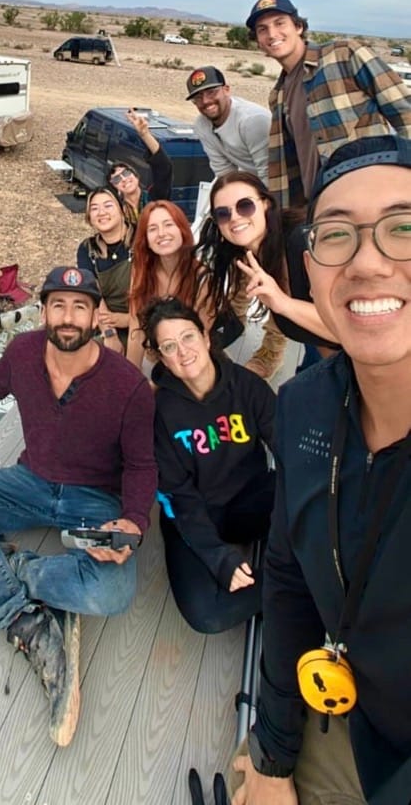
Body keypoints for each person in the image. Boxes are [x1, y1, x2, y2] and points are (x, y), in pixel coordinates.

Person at [231, 135, 411, 805]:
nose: (368, 262)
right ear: (310, 263)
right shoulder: (305, 406)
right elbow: (286, 575)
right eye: (337, 235)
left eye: (404, 227)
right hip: (344, 703)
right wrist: (273, 756)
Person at [0, 265, 157, 747]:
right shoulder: (24, 350)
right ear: (43, 310)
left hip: (93, 498)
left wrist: (132, 521)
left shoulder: (127, 384)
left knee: (113, 592)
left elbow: (141, 465)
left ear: (95, 317)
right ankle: (26, 618)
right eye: (58, 305)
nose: (68, 318)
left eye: (80, 307)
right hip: (29, 482)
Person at [146, 298, 275, 634]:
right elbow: (178, 498)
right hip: (195, 515)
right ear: (161, 358)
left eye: (188, 337)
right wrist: (220, 559)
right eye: (169, 346)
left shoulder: (246, 387)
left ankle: (304, 577)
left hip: (249, 500)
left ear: (205, 337)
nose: (183, 352)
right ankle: (293, 586)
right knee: (207, 614)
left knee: (310, 500)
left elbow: (289, 448)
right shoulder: (160, 413)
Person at [245, 0, 411, 211]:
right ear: (258, 42)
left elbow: (404, 112)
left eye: (279, 23)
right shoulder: (278, 95)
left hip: (371, 194)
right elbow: (287, 167)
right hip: (323, 204)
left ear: (298, 27)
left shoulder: (343, 54)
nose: (272, 33)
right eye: (262, 29)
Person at [198, 171, 335, 376]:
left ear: (265, 203)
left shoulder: (302, 246)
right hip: (328, 354)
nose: (235, 218)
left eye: (245, 205)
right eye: (223, 214)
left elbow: (348, 329)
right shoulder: (249, 254)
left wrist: (282, 303)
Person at [126, 201, 206, 370]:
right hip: (157, 355)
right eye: (152, 229)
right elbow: (136, 329)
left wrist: (159, 383)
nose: (161, 234)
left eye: (169, 224)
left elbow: (202, 340)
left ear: (182, 230)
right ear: (145, 239)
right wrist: (131, 379)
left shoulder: (201, 276)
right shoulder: (140, 271)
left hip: (193, 360)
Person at [185, 67, 271, 183]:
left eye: (211, 92)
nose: (205, 101)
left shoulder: (252, 120)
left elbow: (269, 173)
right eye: (198, 97)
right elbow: (224, 173)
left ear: (226, 90)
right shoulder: (202, 125)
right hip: (254, 182)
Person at [76, 187, 134, 350]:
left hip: (141, 321)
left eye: (108, 205)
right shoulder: (87, 249)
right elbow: (94, 295)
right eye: (94, 208)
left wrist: (129, 319)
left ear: (122, 210)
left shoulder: (141, 240)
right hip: (104, 320)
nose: (101, 212)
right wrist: (110, 334)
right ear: (89, 217)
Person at [107, 109, 174, 222]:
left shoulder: (154, 198)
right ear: (114, 187)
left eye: (126, 173)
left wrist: (144, 134)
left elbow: (164, 166)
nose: (124, 179)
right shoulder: (116, 210)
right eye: (117, 179)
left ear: (136, 176)